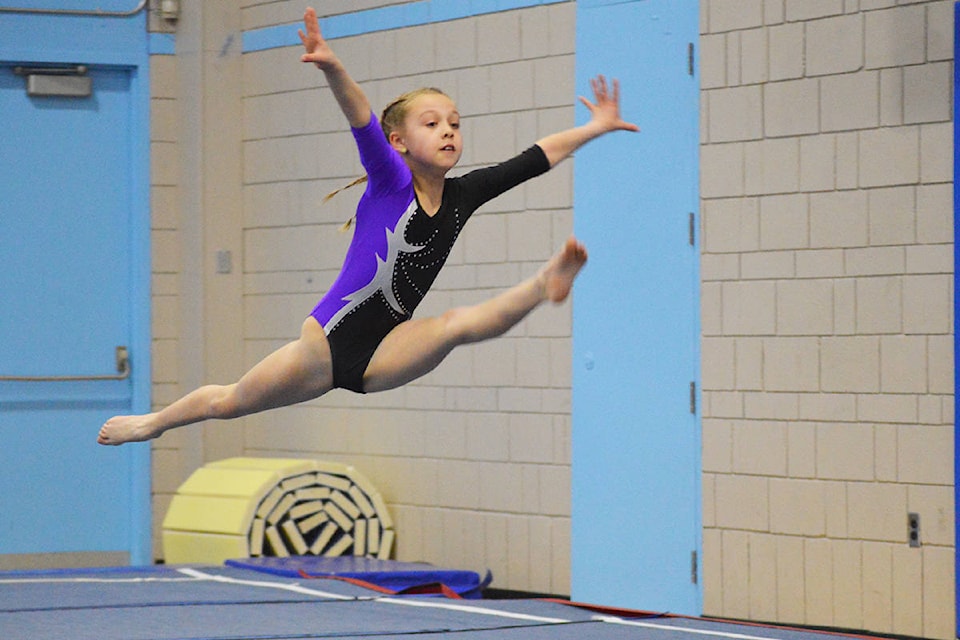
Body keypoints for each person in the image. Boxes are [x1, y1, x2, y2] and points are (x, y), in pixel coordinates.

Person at [97, 6, 638, 446]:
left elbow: (534, 158)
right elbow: (359, 116)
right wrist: (332, 66)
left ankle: (544, 285)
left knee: (453, 326)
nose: (448, 131)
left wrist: (595, 127)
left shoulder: (463, 195)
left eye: (455, 123)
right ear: (399, 142)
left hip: (385, 350)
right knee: (230, 402)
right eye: (432, 124)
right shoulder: (389, 182)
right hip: (325, 347)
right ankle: (153, 422)